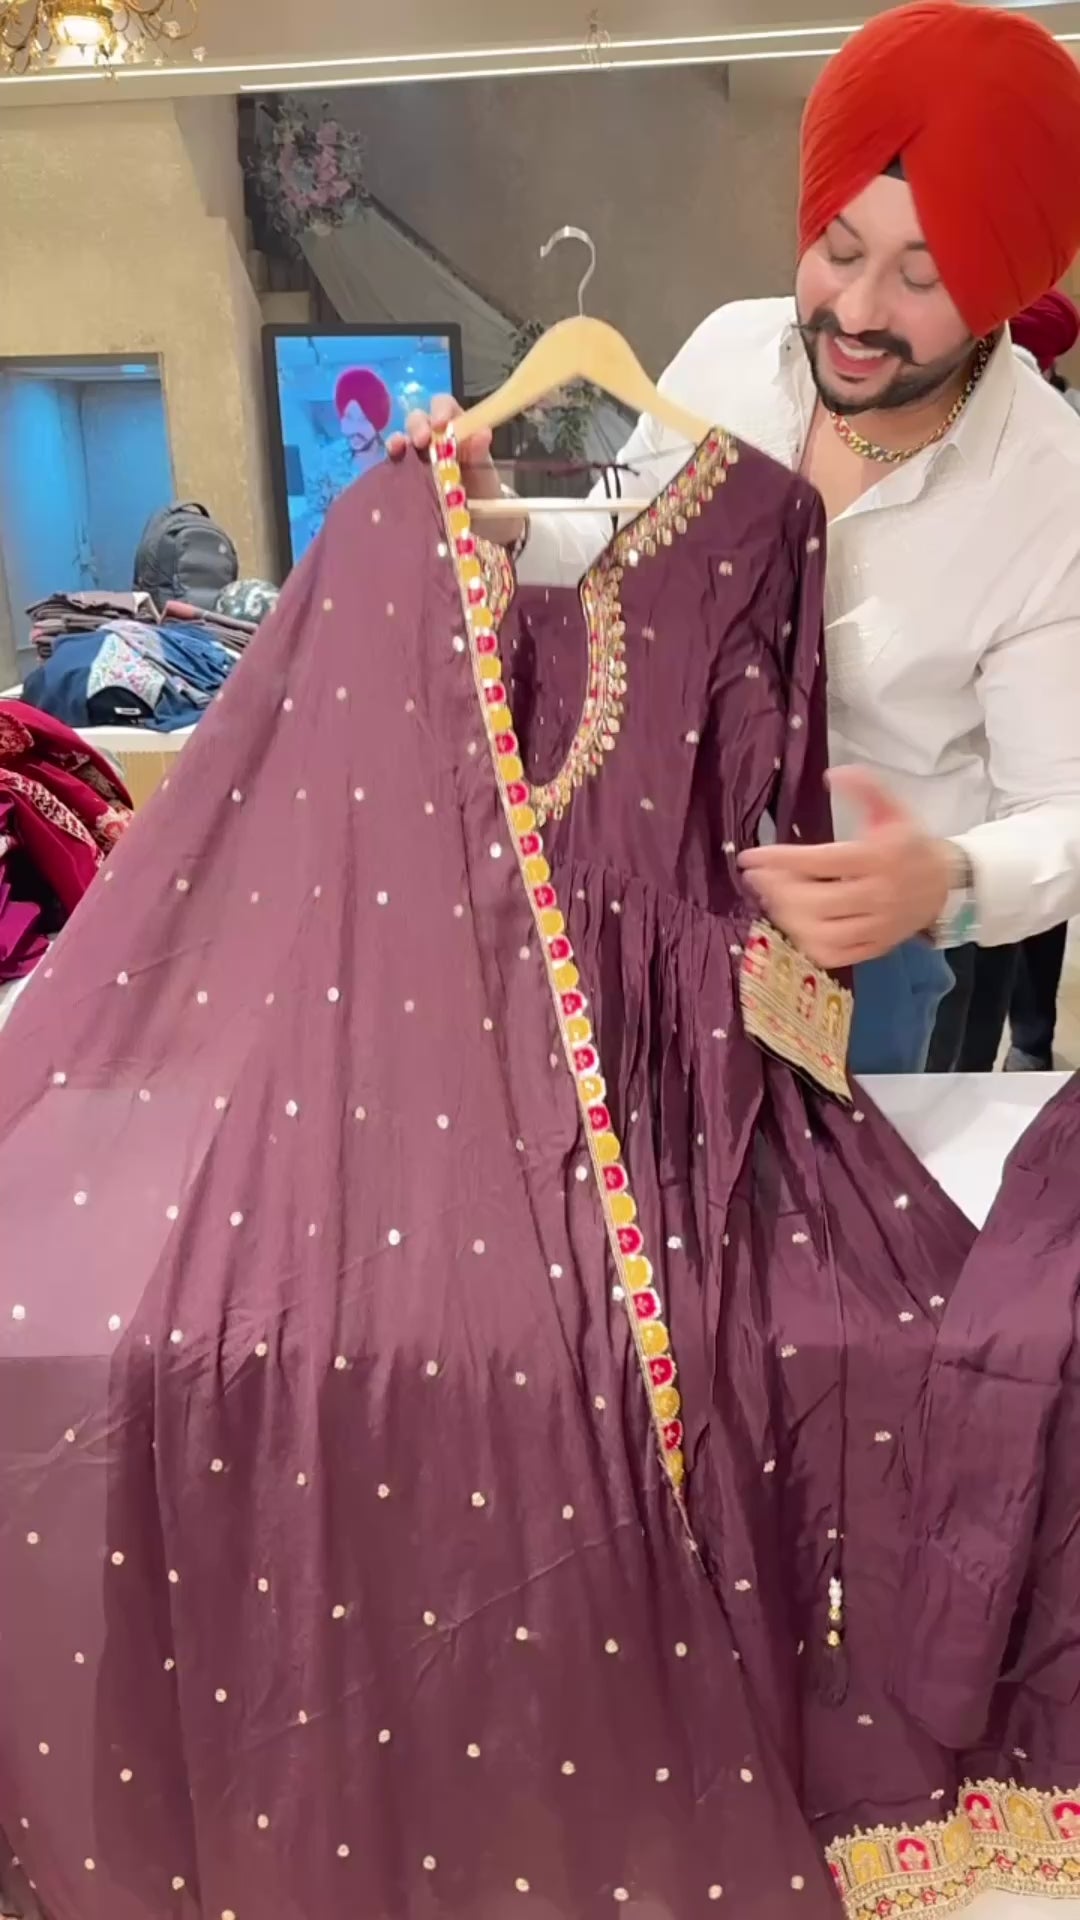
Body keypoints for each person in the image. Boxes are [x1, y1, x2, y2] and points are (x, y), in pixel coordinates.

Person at [397, 0, 1080, 1077]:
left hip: (866, 953)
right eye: (836, 249)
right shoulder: (729, 356)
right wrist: (508, 521)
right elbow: (630, 565)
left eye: (922, 278)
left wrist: (943, 883)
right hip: (656, 898)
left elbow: (1063, 808)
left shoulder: (1046, 490)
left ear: (999, 289)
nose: (857, 311)